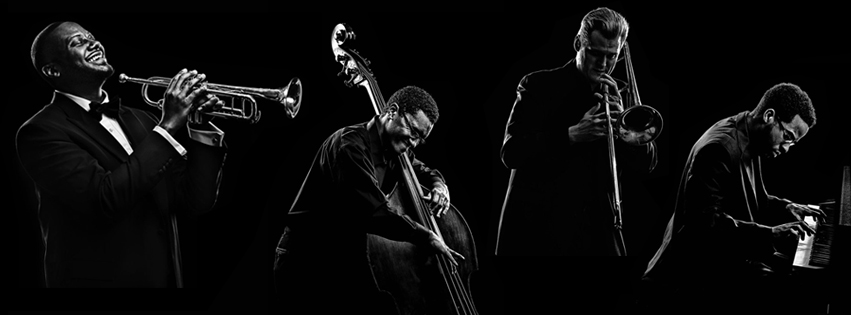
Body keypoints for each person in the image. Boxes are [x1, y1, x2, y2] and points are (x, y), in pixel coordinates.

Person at [16, 21, 228, 288]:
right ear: (53, 70)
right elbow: (105, 199)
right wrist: (169, 125)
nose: (93, 43)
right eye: (77, 42)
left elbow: (195, 200)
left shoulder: (143, 120)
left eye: (91, 36)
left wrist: (199, 128)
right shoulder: (41, 131)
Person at [273, 86, 464, 314]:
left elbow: (425, 171)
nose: (414, 143)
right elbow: (373, 211)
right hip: (304, 260)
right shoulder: (350, 145)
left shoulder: (396, 152)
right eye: (413, 132)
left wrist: (440, 185)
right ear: (392, 111)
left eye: (420, 139)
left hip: (338, 261)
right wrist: (426, 236)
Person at [640, 82, 822, 313]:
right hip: (684, 281)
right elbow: (704, 225)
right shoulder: (719, 148)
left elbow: (749, 196)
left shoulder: (749, 133)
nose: (786, 148)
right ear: (769, 116)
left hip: (713, 264)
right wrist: (771, 234)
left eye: (793, 143)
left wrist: (787, 207)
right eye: (787, 136)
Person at [494, 7, 658, 257]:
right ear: (578, 43)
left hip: (597, 233)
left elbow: (646, 164)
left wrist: (623, 128)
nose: (603, 64)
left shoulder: (621, 98)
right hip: (539, 233)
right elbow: (512, 152)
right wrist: (571, 135)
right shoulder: (537, 85)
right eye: (595, 53)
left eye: (612, 56)